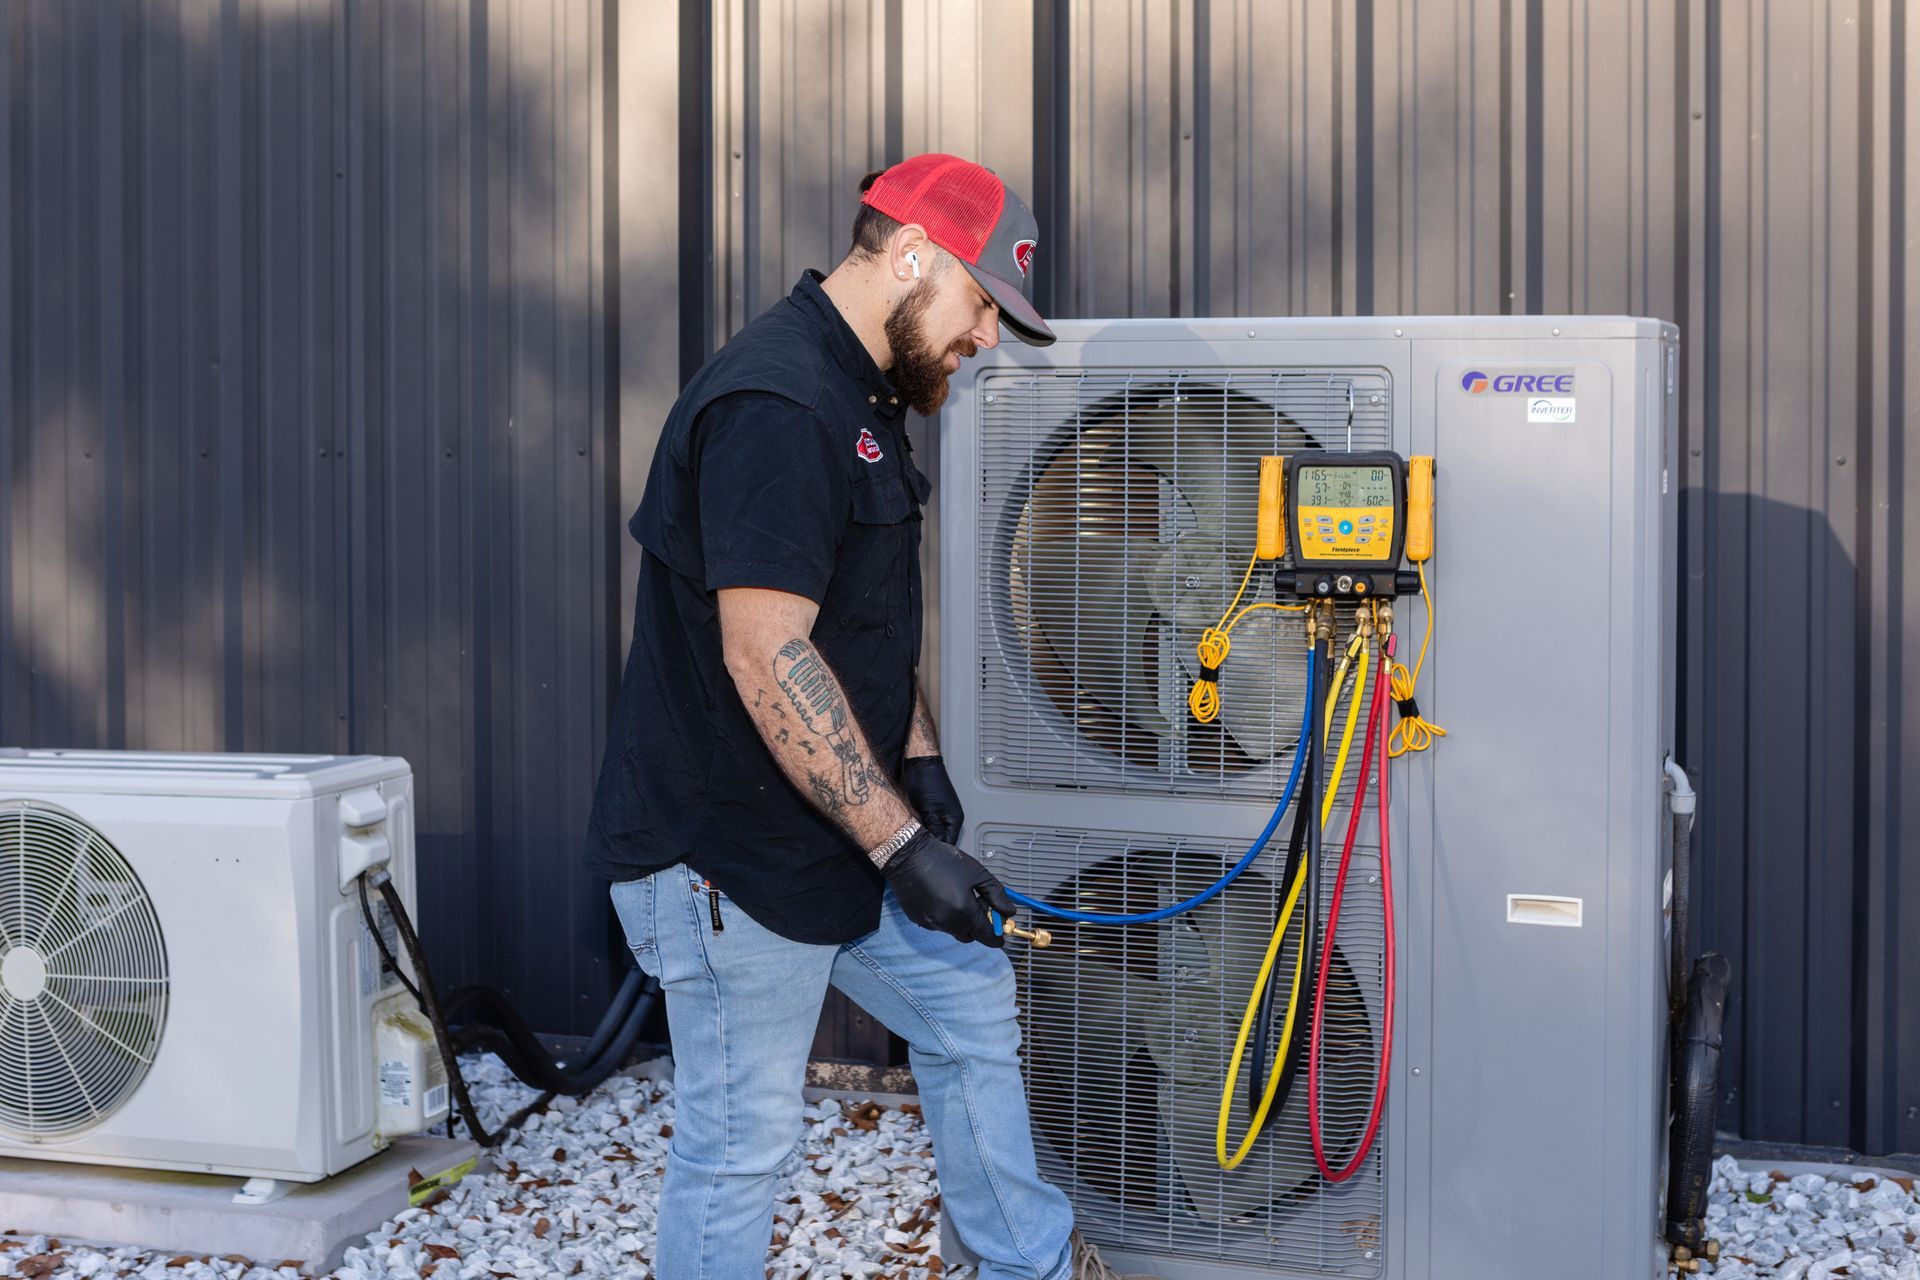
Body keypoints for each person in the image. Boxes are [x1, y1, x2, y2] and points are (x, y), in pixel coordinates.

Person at [586, 154, 1141, 1280]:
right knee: (743, 1146)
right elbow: (767, 647)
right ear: (912, 255)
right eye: (984, 304)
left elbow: (860, 619)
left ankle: (1028, 1264)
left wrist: (920, 763)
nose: (987, 336)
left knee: (969, 1000)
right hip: (729, 861)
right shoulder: (779, 403)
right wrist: (900, 842)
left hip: (832, 832)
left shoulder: (865, 395)